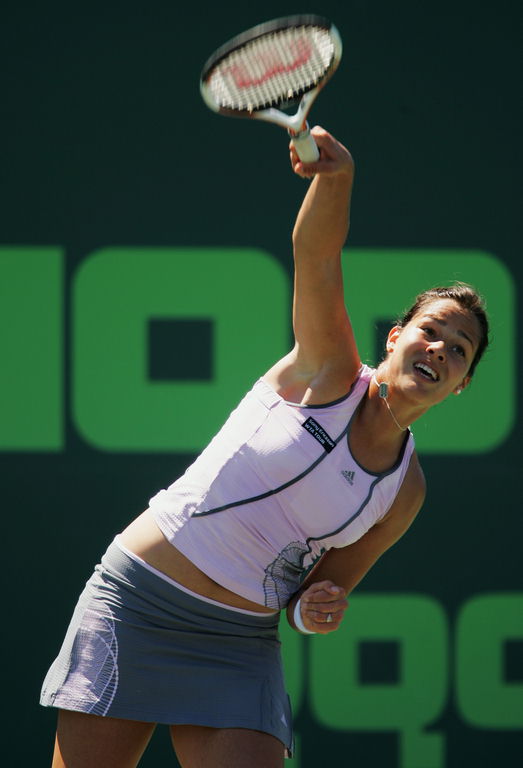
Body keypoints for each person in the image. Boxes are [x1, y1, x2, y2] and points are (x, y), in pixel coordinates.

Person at [40, 126, 489, 768]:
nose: (440, 348)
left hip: (238, 643)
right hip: (137, 601)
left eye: (459, 348)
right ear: (395, 339)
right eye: (431, 331)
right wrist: (336, 182)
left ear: (462, 383)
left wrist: (319, 611)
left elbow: (314, 598)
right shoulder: (328, 368)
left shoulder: (405, 490)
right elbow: (316, 254)